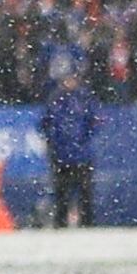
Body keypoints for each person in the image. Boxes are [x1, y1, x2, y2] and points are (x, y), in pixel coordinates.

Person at [42, 61, 101, 228]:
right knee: (62, 193)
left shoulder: (84, 99)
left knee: (85, 193)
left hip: (80, 153)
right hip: (63, 154)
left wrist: (80, 142)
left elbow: (94, 123)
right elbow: (46, 125)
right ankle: (61, 224)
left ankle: (86, 224)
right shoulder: (56, 100)